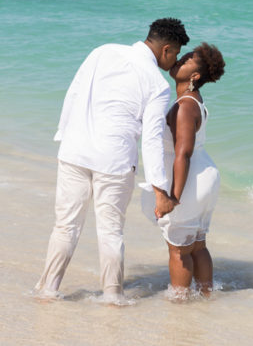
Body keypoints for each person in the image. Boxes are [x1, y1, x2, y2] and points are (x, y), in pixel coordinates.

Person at [33, 18, 188, 302]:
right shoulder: (157, 83)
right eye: (176, 54)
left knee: (65, 225)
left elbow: (75, 92)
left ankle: (47, 290)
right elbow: (152, 139)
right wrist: (160, 190)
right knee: (110, 231)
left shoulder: (102, 51)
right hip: (114, 161)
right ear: (166, 49)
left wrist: (63, 135)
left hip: (74, 152)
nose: (174, 61)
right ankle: (112, 296)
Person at [142, 42, 226, 299]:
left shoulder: (185, 105)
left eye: (187, 59)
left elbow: (183, 153)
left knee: (178, 249)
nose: (180, 60)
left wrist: (173, 197)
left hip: (189, 181)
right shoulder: (193, 101)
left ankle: (180, 306)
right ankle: (206, 297)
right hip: (204, 176)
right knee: (197, 246)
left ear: (195, 76)